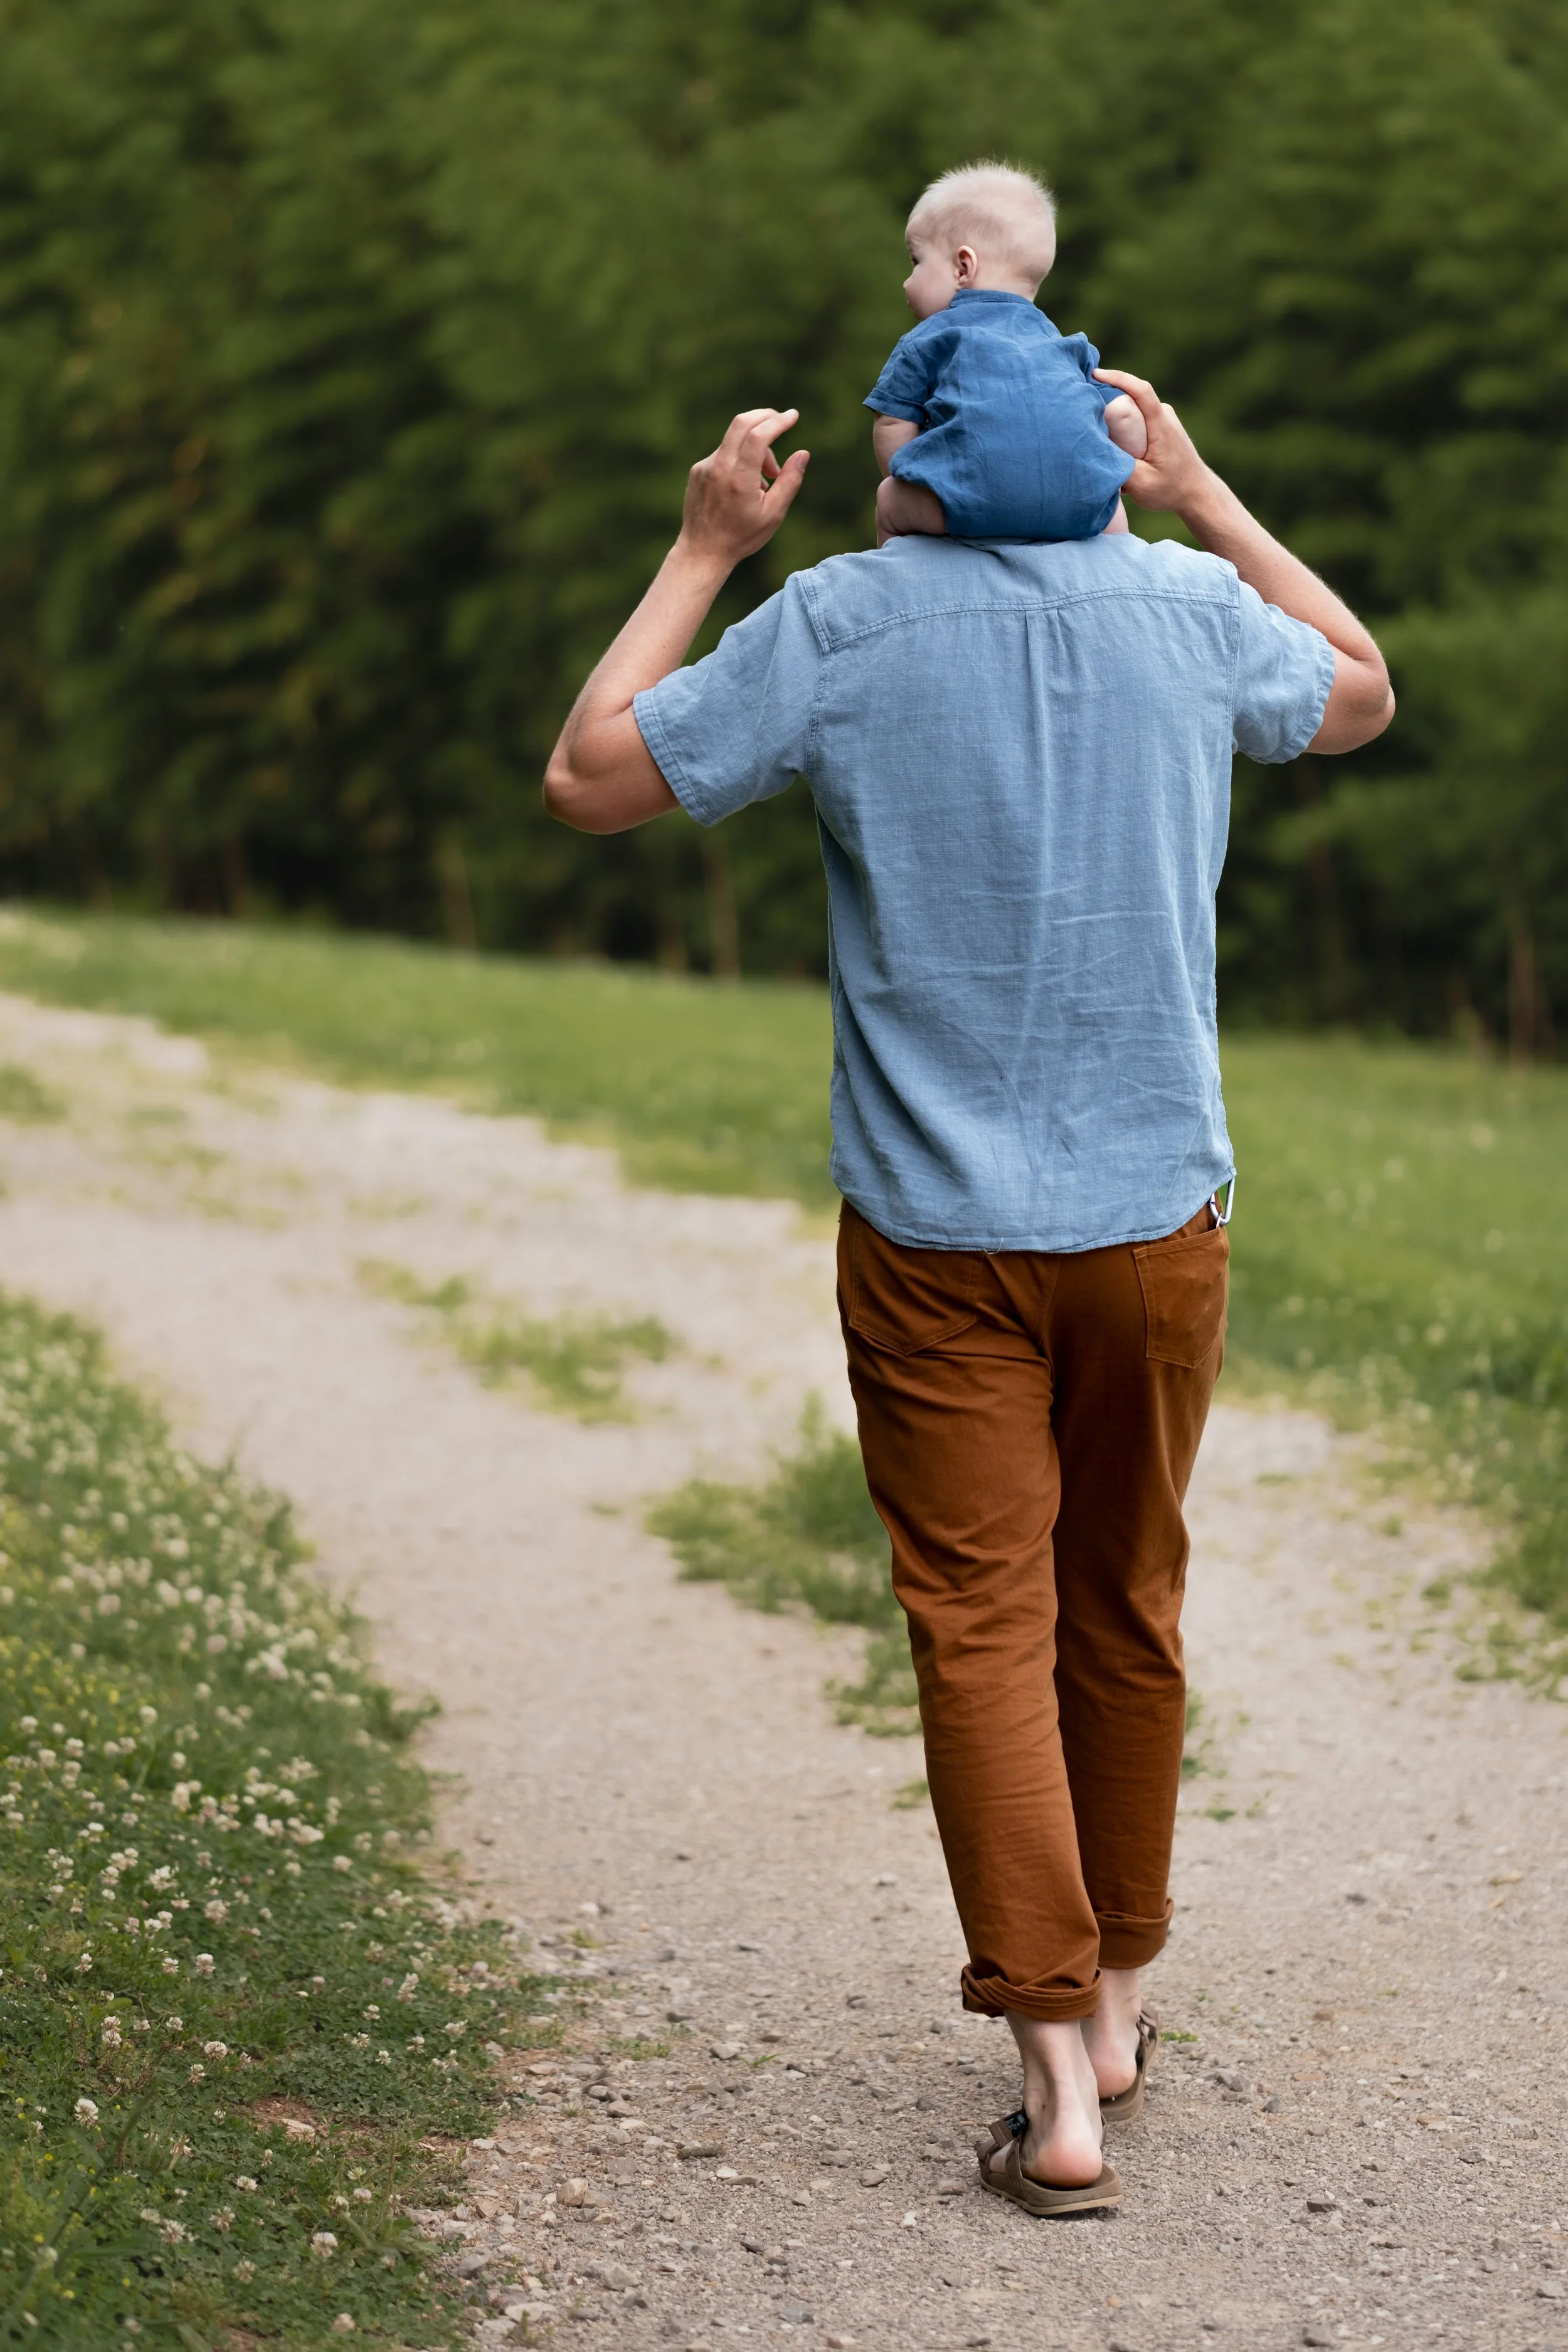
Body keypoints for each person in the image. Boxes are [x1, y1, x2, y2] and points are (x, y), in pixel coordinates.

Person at [543, 376, 1393, 2215]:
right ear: (1098, 468)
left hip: (935, 1241)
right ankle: (1113, 2009)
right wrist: (1206, 491)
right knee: (1127, 1594)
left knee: (980, 1622)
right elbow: (1356, 683)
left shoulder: (840, 620)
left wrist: (701, 549)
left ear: (919, 472)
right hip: (1154, 1221)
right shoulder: (1179, 605)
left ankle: (1050, 2091)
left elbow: (591, 772)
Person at [867, 161, 1147, 546]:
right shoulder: (1067, 345)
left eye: (917, 262)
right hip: (1077, 507)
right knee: (1109, 501)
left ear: (964, 267)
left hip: (963, 503)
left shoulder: (929, 339)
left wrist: (911, 480)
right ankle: (1121, 567)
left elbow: (892, 424)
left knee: (888, 500)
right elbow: (1124, 414)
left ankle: (899, 574)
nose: (907, 280)